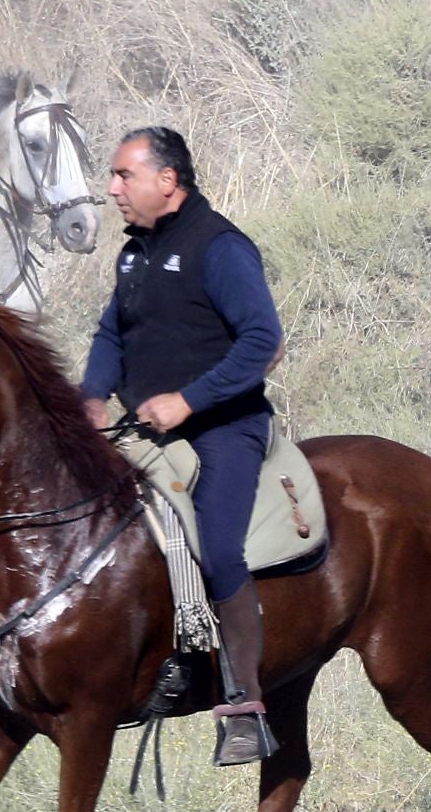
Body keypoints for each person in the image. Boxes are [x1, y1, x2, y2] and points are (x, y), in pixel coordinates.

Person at [81, 128, 284, 766]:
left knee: (219, 549)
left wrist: (190, 400)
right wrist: (91, 396)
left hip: (225, 427)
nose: (112, 189)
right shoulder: (135, 253)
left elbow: (262, 341)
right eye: (113, 177)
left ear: (166, 181)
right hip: (148, 430)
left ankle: (244, 704)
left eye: (123, 176)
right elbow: (112, 332)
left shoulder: (220, 247)